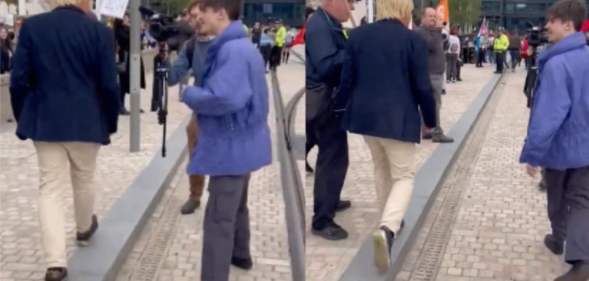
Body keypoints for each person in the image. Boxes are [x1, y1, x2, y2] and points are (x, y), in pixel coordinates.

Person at [9, 0, 120, 280]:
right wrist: (109, 121)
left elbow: (18, 79)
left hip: (46, 120)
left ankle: (55, 263)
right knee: (84, 177)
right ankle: (84, 228)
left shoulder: (33, 27)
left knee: (50, 187)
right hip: (87, 119)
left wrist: (25, 114)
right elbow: (109, 83)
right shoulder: (99, 32)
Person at [336, 0, 437, 272]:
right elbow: (423, 87)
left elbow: (347, 80)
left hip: (366, 119)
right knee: (404, 176)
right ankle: (388, 228)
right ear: (403, 10)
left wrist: (339, 108)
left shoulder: (358, 36)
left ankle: (388, 218)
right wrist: (430, 120)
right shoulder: (411, 40)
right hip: (398, 119)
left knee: (381, 168)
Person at [181, 0, 272, 279]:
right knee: (238, 204)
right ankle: (240, 254)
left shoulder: (232, 50)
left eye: (204, 12)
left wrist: (188, 93)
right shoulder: (241, 46)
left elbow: (225, 97)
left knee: (219, 218)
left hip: (231, 146)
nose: (198, 19)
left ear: (220, 13)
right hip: (244, 143)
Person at [519, 1, 589, 280]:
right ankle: (581, 259)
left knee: (558, 197)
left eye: (552, 21)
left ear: (568, 25)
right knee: (582, 200)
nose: (547, 26)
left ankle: (560, 239)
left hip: (562, 147)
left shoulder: (557, 64)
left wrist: (533, 153)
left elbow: (549, 114)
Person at [306, 0, 354, 240]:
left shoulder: (328, 23)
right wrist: (353, 50)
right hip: (323, 102)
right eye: (351, 3)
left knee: (337, 156)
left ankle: (330, 200)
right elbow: (326, 65)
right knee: (332, 159)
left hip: (329, 103)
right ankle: (322, 220)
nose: (352, 9)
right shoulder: (319, 26)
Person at [164, 0, 215, 215]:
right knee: (195, 147)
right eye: (191, 17)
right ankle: (195, 194)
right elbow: (173, 77)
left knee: (225, 154)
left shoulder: (225, 43)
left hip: (225, 108)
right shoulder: (191, 45)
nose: (195, 21)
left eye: (198, 16)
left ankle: (222, 194)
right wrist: (165, 55)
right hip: (202, 110)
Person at [415, 7, 454, 143]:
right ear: (423, 18)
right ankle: (437, 132)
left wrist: (444, 36)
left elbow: (441, 46)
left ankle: (427, 129)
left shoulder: (433, 32)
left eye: (435, 17)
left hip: (436, 73)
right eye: (431, 16)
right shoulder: (420, 32)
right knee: (435, 104)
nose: (434, 19)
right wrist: (438, 30)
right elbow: (431, 45)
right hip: (430, 73)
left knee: (430, 103)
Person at [114, 14, 146, 115]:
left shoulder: (129, 29)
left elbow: (139, 43)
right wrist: (136, 30)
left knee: (135, 82)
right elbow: (128, 40)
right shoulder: (119, 31)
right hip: (126, 59)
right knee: (123, 84)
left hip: (134, 58)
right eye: (125, 17)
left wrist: (139, 31)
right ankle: (120, 106)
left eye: (128, 17)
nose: (128, 19)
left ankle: (135, 105)